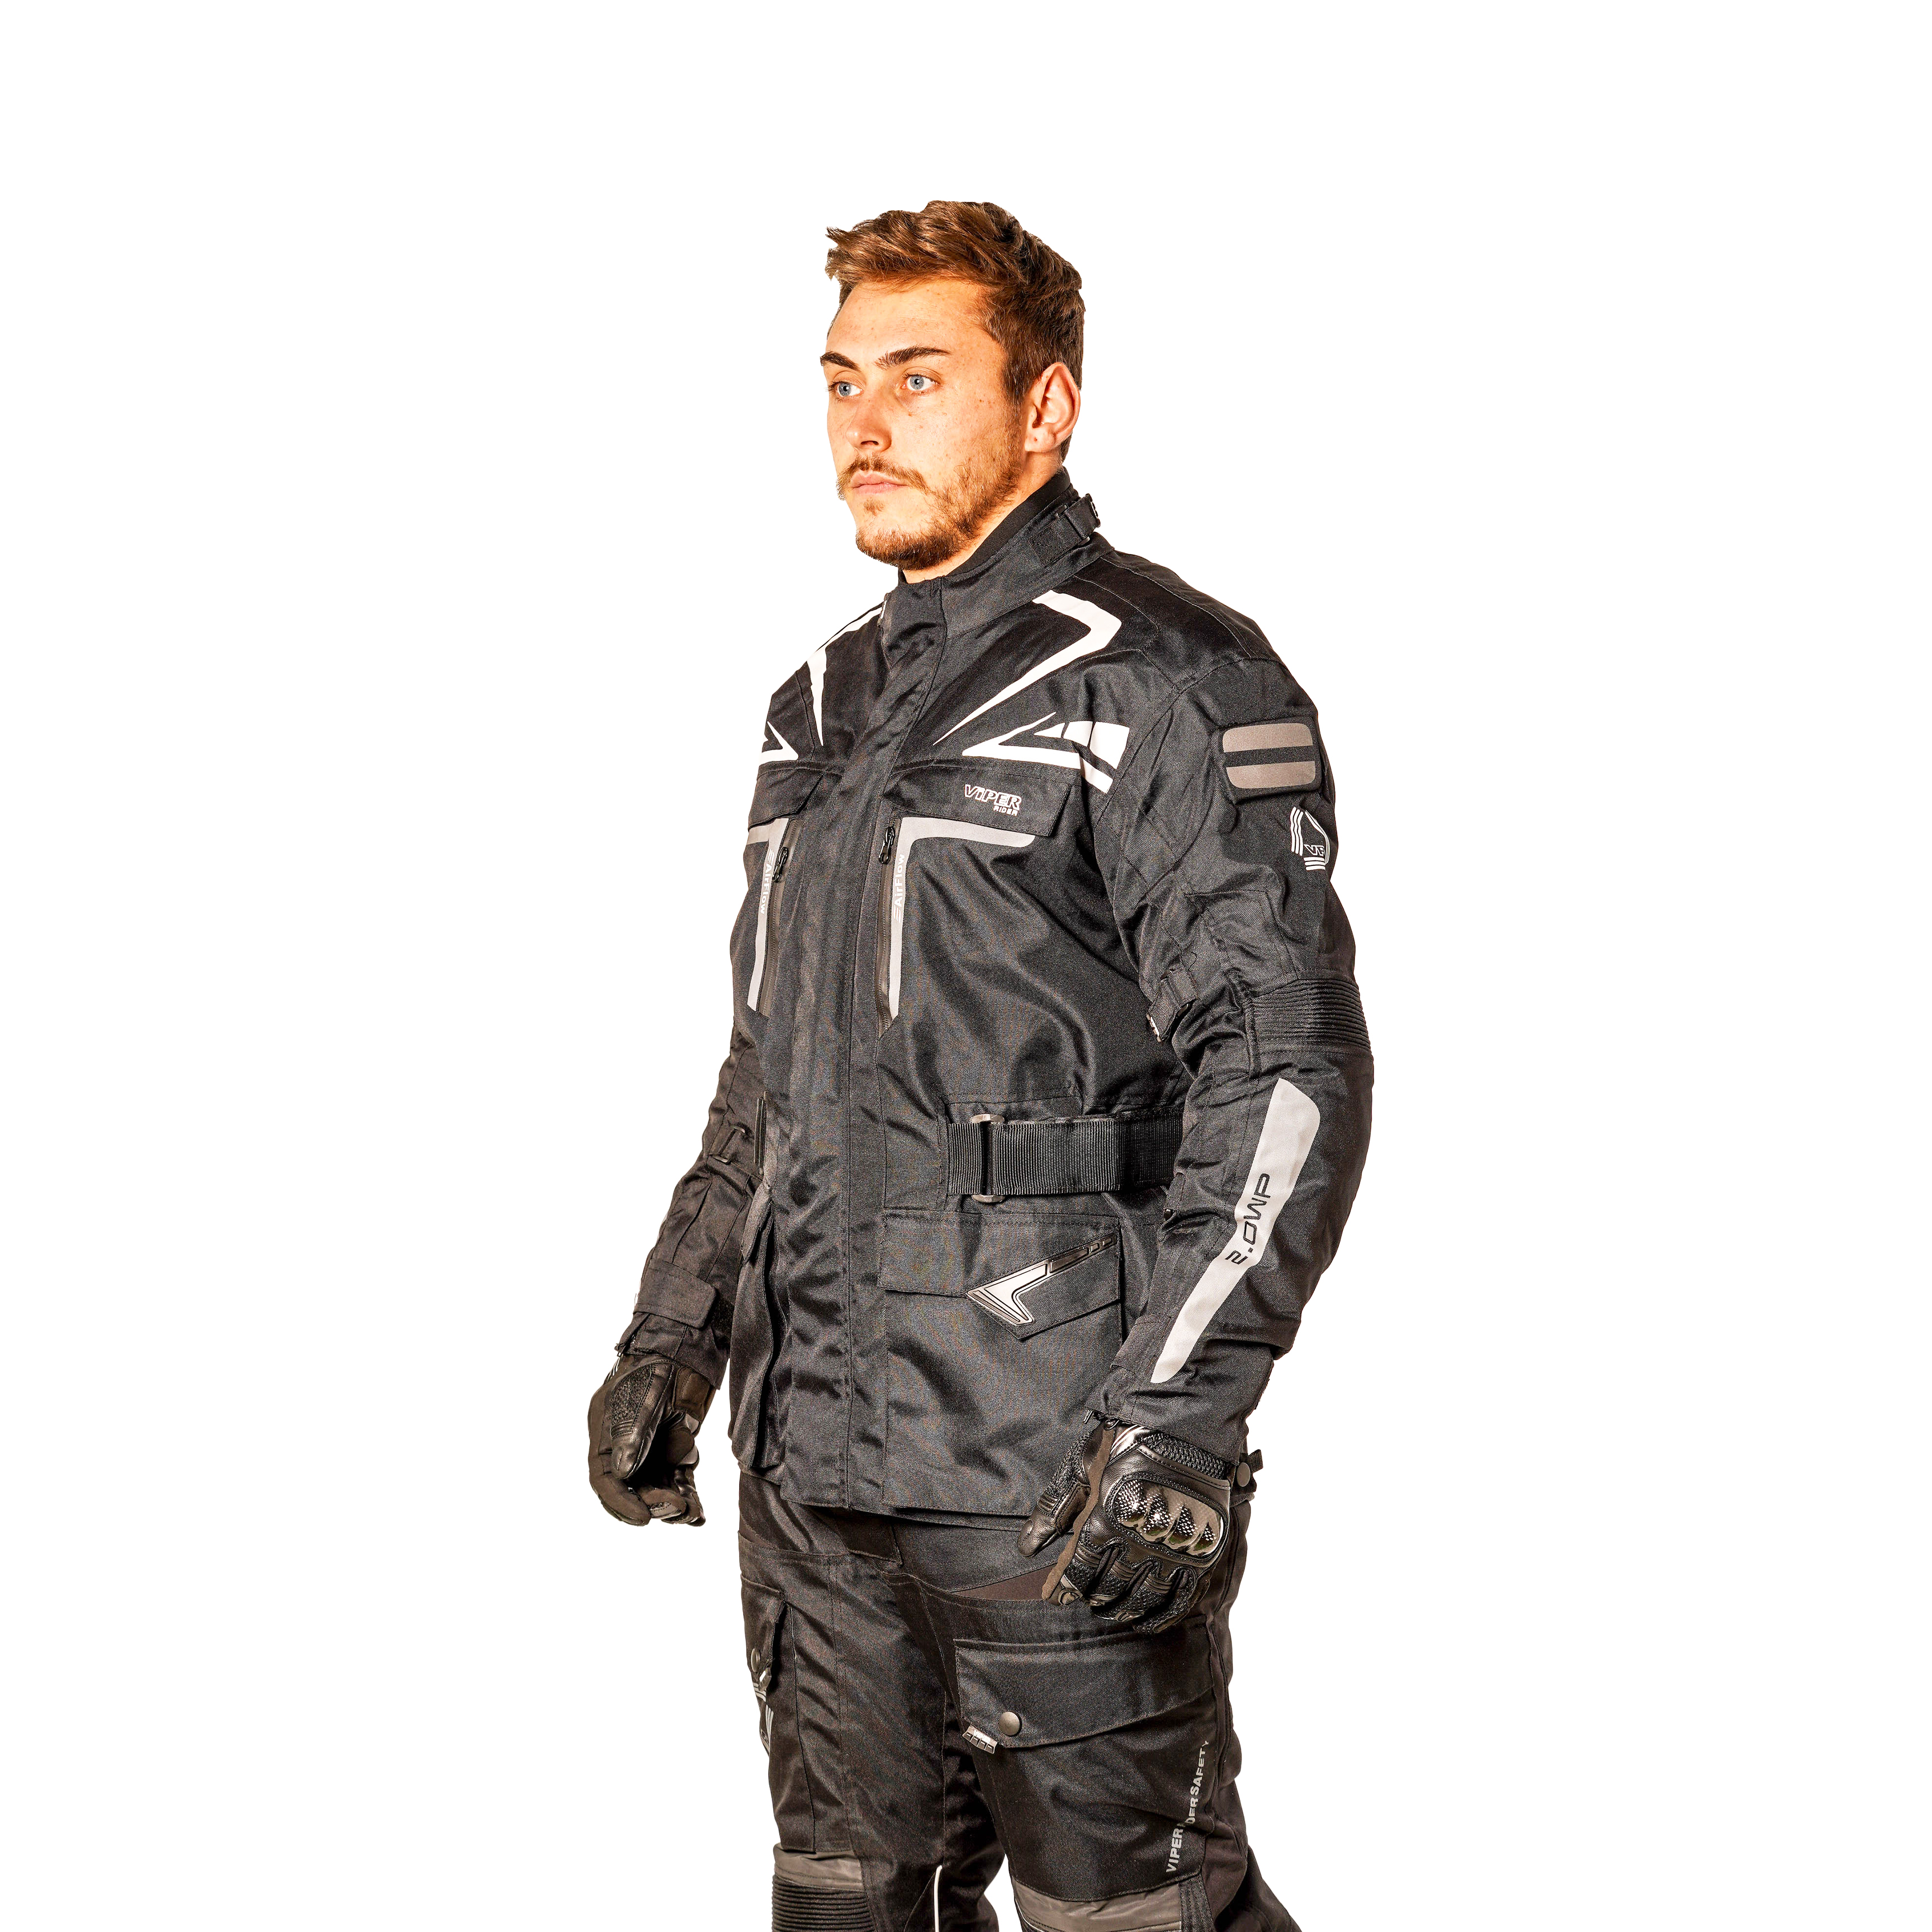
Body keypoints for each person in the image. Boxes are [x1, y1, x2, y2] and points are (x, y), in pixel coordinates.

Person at [588, 201, 1374, 1932]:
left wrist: (1176, 1423)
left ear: (1047, 406)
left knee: (1137, 1917)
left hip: (1054, 1461)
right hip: (813, 1466)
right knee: (850, 1903)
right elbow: (769, 1071)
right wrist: (672, 1333)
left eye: (920, 377)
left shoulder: (1166, 681)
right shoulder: (819, 708)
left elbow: (1284, 1073)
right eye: (841, 381)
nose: (866, 424)